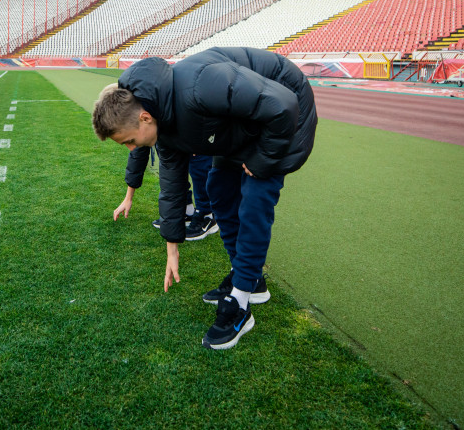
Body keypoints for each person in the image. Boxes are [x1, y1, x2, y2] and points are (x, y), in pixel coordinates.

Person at [92, 47, 316, 350]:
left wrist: (261, 161)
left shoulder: (200, 85)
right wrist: (172, 249)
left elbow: (281, 105)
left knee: (254, 199)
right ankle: (251, 280)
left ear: (145, 117)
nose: (133, 150)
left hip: (287, 107)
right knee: (219, 191)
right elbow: (172, 189)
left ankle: (240, 303)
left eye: (130, 141)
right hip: (248, 121)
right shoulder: (163, 123)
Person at [114, 147, 218, 241]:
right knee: (172, 162)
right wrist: (128, 198)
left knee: (198, 158)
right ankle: (185, 209)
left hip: (195, 129)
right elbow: (138, 153)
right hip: (170, 133)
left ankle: (206, 215)